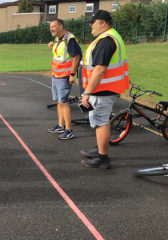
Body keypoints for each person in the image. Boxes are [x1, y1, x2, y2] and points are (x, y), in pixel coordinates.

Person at [80, 10, 129, 169]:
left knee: (101, 122)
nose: (90, 25)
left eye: (93, 22)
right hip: (108, 88)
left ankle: (103, 157)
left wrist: (87, 92)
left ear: (102, 22)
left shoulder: (106, 40)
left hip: (102, 90)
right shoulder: (111, 36)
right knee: (101, 121)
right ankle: (100, 148)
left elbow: (100, 70)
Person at [47, 19, 82, 140]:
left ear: (61, 26)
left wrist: (72, 74)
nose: (51, 29)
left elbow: (77, 57)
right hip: (56, 75)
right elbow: (60, 56)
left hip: (64, 76)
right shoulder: (58, 39)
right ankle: (61, 125)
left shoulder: (70, 39)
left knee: (63, 102)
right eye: (50, 27)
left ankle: (68, 130)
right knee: (58, 101)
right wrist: (52, 47)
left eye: (54, 26)